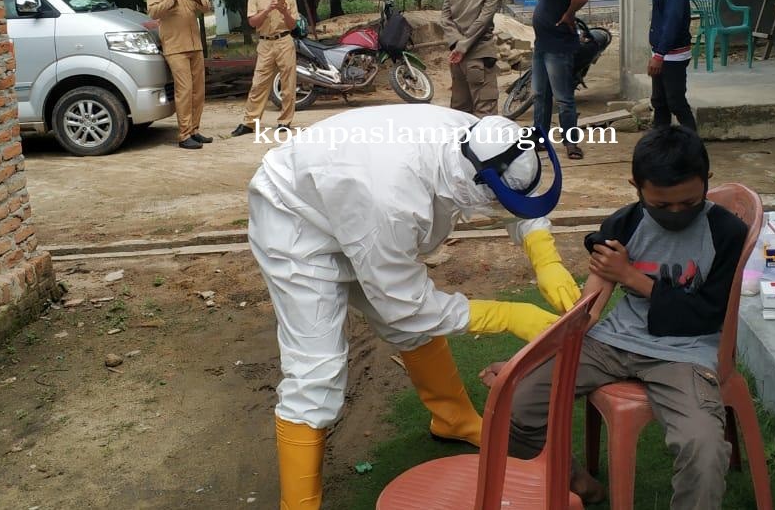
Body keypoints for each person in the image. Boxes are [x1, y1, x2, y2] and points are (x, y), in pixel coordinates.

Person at [248, 105, 581, 510]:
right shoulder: (390, 199)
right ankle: (298, 504)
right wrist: (508, 315)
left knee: (409, 321)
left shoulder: (481, 136)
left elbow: (514, 194)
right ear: (473, 184)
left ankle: (452, 418)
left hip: (345, 188)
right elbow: (404, 305)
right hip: (296, 218)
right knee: (316, 369)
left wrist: (545, 256)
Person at [491, 126, 747, 509]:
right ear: (637, 187)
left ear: (706, 182)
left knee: (704, 448)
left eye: (689, 203)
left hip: (686, 353)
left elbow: (709, 314)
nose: (676, 213)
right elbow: (589, 307)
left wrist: (632, 277)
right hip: (614, 342)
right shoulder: (623, 225)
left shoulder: (726, 232)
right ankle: (574, 481)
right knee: (516, 399)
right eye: (661, 206)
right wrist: (528, 360)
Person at [146, 0, 214, 150]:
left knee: (198, 91)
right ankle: (184, 135)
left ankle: (194, 130)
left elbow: (206, 8)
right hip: (175, 47)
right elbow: (153, 12)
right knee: (184, 91)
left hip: (195, 45)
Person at [532, 0, 590, 159]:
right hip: (543, 44)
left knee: (563, 98)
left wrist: (568, 15)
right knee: (540, 94)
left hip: (557, 47)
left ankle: (571, 143)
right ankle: (539, 138)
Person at [232, 0, 299, 137]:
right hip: (265, 42)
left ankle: (285, 121)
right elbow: (253, 22)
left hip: (285, 40)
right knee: (258, 84)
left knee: (288, 83)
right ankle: (249, 122)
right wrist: (268, 9)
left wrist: (284, 11)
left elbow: (293, 25)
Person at [441, 0, 504, 117]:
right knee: (485, 114)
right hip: (479, 58)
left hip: (457, 61)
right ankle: (483, 146)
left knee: (460, 114)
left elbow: (445, 18)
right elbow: (481, 22)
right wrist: (463, 47)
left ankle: (460, 146)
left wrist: (457, 44)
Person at [648, 0, 698, 131]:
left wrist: (659, 54)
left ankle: (692, 143)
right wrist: (657, 53)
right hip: (663, 52)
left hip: (672, 55)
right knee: (660, 102)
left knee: (675, 101)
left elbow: (673, 20)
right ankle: (660, 142)